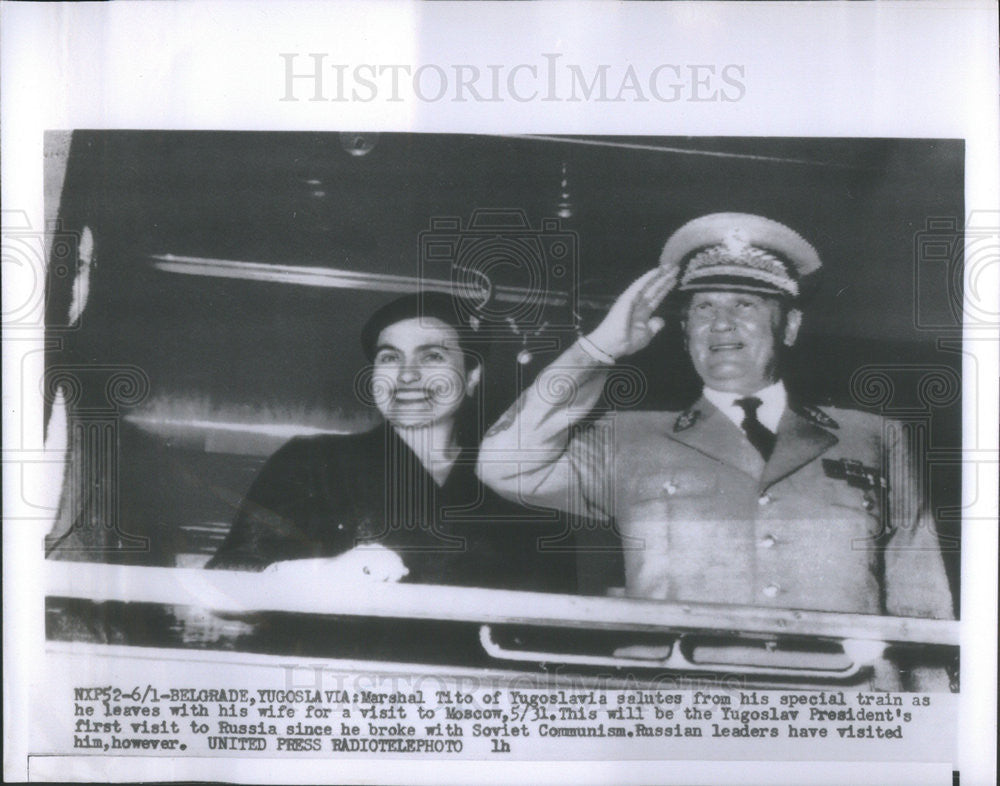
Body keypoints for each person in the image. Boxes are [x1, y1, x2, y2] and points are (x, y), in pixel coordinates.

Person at [477, 212, 954, 689]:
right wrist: (601, 346)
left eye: (745, 304)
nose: (720, 324)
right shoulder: (629, 438)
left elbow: (921, 601)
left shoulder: (874, 437)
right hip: (684, 712)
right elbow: (503, 466)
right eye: (702, 309)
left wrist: (930, 725)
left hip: (843, 712)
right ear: (685, 334)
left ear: (789, 326)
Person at [208, 292, 575, 593]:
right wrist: (318, 574)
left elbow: (559, 620)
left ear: (472, 376)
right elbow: (223, 582)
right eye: (389, 358)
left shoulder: (527, 479)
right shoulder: (310, 462)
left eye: (432, 356)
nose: (408, 374)